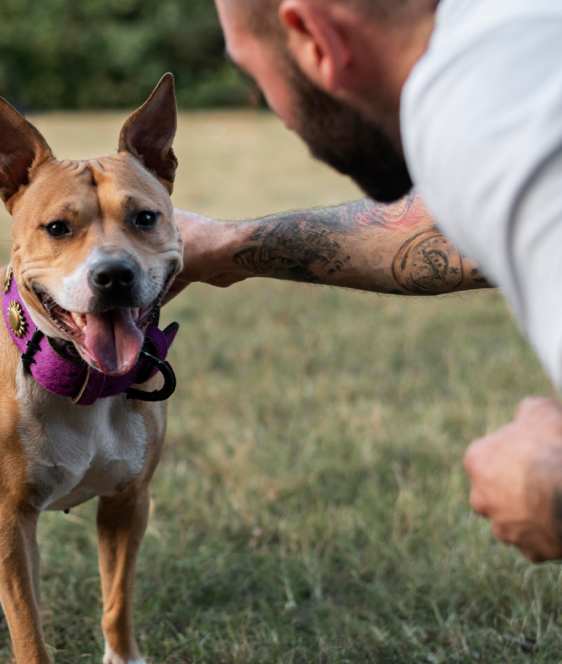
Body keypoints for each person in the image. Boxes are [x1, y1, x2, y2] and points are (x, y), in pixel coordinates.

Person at [172, 0, 562, 561]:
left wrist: (545, 489)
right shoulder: (511, 43)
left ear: (314, 36)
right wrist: (229, 246)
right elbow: (454, 230)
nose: (268, 107)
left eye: (250, 72)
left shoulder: (481, 115)